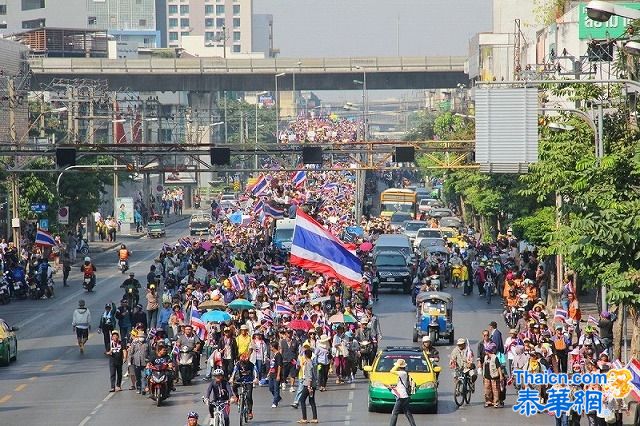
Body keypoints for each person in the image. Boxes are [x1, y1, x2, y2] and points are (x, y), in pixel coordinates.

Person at [387, 359, 417, 426]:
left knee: (394, 413)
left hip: (401, 396)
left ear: (399, 367)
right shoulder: (404, 373)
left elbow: (391, 371)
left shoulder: (402, 373)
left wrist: (397, 365)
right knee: (407, 412)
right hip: (404, 396)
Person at [230, 353, 258, 420]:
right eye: (242, 362)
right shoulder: (238, 364)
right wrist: (231, 378)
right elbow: (234, 371)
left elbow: (255, 371)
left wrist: (256, 378)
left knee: (249, 396)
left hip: (249, 381)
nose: (243, 365)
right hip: (239, 380)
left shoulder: (251, 365)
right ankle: (237, 398)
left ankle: (250, 412)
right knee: (233, 387)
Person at [298, 347, 319, 424]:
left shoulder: (308, 364)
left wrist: (309, 387)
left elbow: (309, 376)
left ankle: (304, 418)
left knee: (302, 400)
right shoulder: (312, 362)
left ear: (306, 356)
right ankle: (314, 418)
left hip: (308, 384)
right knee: (312, 401)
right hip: (313, 384)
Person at [481, 342, 503, 408]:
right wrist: (483, 374)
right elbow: (484, 366)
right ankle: (488, 401)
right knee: (487, 390)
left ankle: (496, 402)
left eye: (486, 351)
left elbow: (498, 367)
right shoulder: (485, 357)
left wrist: (501, 376)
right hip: (487, 376)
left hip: (494, 376)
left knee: (495, 390)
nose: (485, 352)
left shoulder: (495, 357)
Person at [268, 341, 283, 408]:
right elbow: (272, 365)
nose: (270, 347)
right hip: (271, 373)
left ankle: (275, 402)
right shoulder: (273, 354)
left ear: (273, 347)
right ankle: (278, 397)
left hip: (276, 374)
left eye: (271, 346)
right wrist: (269, 372)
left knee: (276, 388)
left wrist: (278, 375)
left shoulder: (278, 355)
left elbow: (279, 366)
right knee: (271, 388)